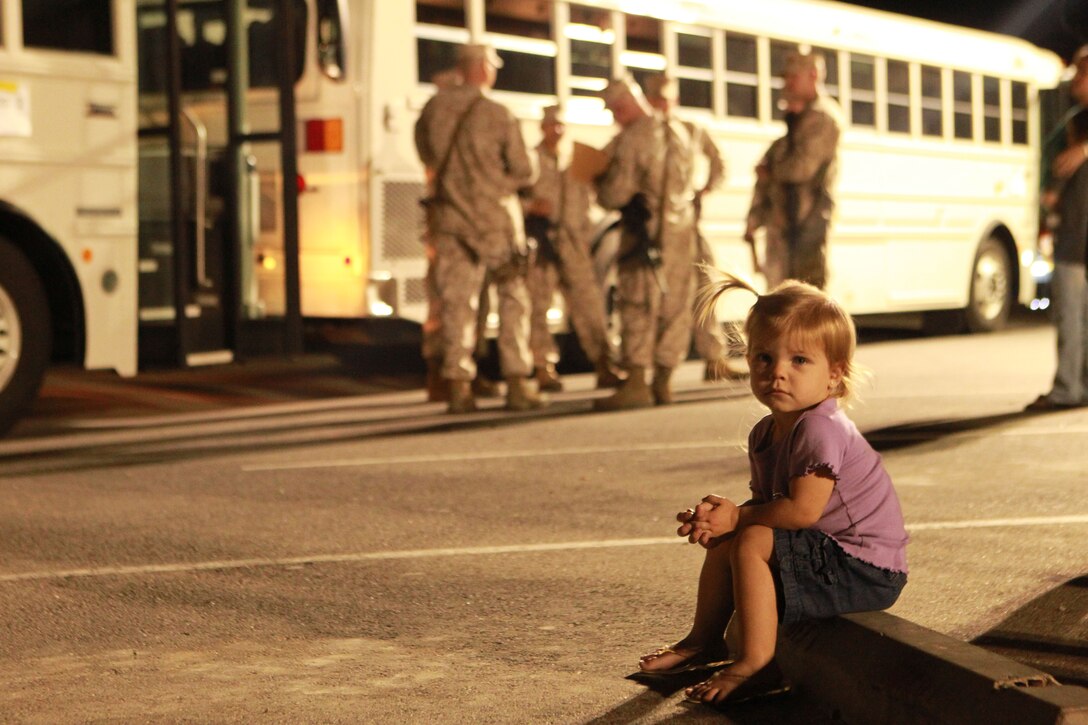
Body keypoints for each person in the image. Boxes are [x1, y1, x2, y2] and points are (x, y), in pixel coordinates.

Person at [638, 274, 908, 706]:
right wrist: (720, 519)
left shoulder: (820, 428)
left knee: (752, 537)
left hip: (865, 567)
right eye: (764, 357)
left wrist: (740, 518)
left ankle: (753, 661)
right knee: (734, 538)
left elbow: (801, 513)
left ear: (834, 376)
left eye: (799, 361)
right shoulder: (767, 431)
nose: (777, 373)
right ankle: (701, 642)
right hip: (826, 550)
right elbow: (768, 506)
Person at [414, 42, 545, 414]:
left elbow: (426, 152)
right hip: (497, 222)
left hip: (451, 220)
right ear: (483, 69)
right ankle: (518, 384)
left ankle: (458, 387)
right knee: (512, 300)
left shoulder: (433, 108)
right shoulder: (498, 112)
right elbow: (524, 171)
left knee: (458, 304)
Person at [593, 75, 698, 409]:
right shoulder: (678, 130)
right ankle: (664, 382)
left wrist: (599, 182)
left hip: (644, 233)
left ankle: (637, 382)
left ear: (624, 105)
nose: (613, 118)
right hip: (681, 233)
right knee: (676, 306)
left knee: (637, 304)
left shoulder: (632, 139)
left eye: (614, 110)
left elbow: (616, 193)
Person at [641, 73, 735, 382]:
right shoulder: (646, 132)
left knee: (706, 283)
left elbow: (719, 161)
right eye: (657, 98)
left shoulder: (691, 129)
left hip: (689, 224)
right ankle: (659, 366)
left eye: (667, 99)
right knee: (670, 293)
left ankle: (714, 356)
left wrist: (706, 189)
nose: (663, 105)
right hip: (659, 228)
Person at [524, 105, 623, 391]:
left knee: (589, 305)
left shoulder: (576, 162)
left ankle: (604, 363)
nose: (556, 130)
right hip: (543, 244)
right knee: (538, 307)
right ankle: (544, 367)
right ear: (542, 127)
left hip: (573, 244)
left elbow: (591, 201)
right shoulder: (531, 161)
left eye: (560, 125)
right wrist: (530, 207)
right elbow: (511, 197)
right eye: (551, 125)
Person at [744, 50, 843, 290]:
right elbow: (767, 171)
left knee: (806, 302)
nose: (786, 83)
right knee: (780, 299)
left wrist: (772, 171)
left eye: (793, 77)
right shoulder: (795, 123)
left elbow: (799, 169)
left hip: (806, 227)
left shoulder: (822, 116)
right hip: (783, 226)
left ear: (813, 75)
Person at [1027, 46, 1088, 411]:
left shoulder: (1080, 127)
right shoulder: (1075, 119)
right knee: (1071, 313)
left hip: (1078, 234)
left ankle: (1070, 387)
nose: (1075, 82)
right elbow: (1053, 163)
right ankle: (1073, 384)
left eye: (1082, 74)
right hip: (1072, 231)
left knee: (1073, 314)